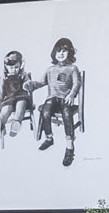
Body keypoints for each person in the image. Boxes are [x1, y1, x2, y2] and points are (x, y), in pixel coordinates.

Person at [35, 36, 85, 165]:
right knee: (45, 111)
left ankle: (69, 146)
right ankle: (49, 138)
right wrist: (31, 85)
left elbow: (76, 84)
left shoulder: (73, 68)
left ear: (70, 53)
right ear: (54, 53)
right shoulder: (50, 69)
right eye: (59, 51)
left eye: (64, 51)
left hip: (65, 99)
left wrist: (72, 95)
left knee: (67, 114)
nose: (61, 54)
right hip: (52, 98)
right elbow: (41, 82)